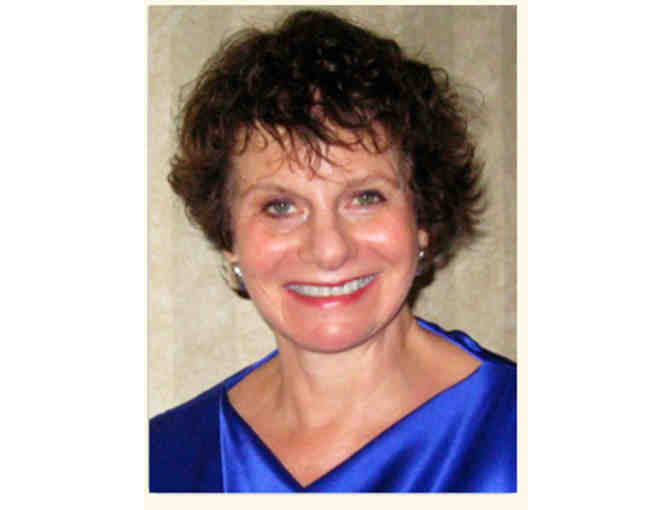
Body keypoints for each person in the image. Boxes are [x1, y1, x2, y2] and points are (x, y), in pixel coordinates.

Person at [150, 9, 516, 492]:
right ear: (229, 236)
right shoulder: (163, 461)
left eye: (366, 198)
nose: (328, 250)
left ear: (422, 218)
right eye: (280, 206)